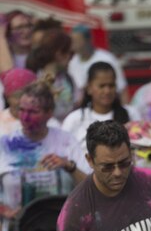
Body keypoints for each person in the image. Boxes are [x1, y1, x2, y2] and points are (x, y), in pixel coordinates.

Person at [0, 81, 88, 223]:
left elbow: (90, 187)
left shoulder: (66, 141)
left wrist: (69, 166)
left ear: (49, 113)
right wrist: (4, 210)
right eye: (21, 110)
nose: (25, 118)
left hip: (61, 229)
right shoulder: (5, 145)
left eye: (33, 112)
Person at [62, 62, 138, 150]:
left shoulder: (131, 114)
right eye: (102, 86)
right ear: (89, 88)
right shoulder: (74, 119)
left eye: (111, 85)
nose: (107, 91)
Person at [68, 25, 128, 104]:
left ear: (88, 40)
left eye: (76, 41)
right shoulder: (72, 62)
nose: (73, 44)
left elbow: (122, 89)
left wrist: (126, 110)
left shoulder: (107, 59)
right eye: (72, 41)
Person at [26, 28, 76, 122]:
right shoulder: (35, 79)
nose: (71, 58)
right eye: (71, 53)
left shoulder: (68, 78)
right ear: (59, 54)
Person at [0, 68, 37, 135]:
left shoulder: (47, 123)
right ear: (7, 97)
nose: (22, 102)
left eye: (28, 96)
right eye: (17, 96)